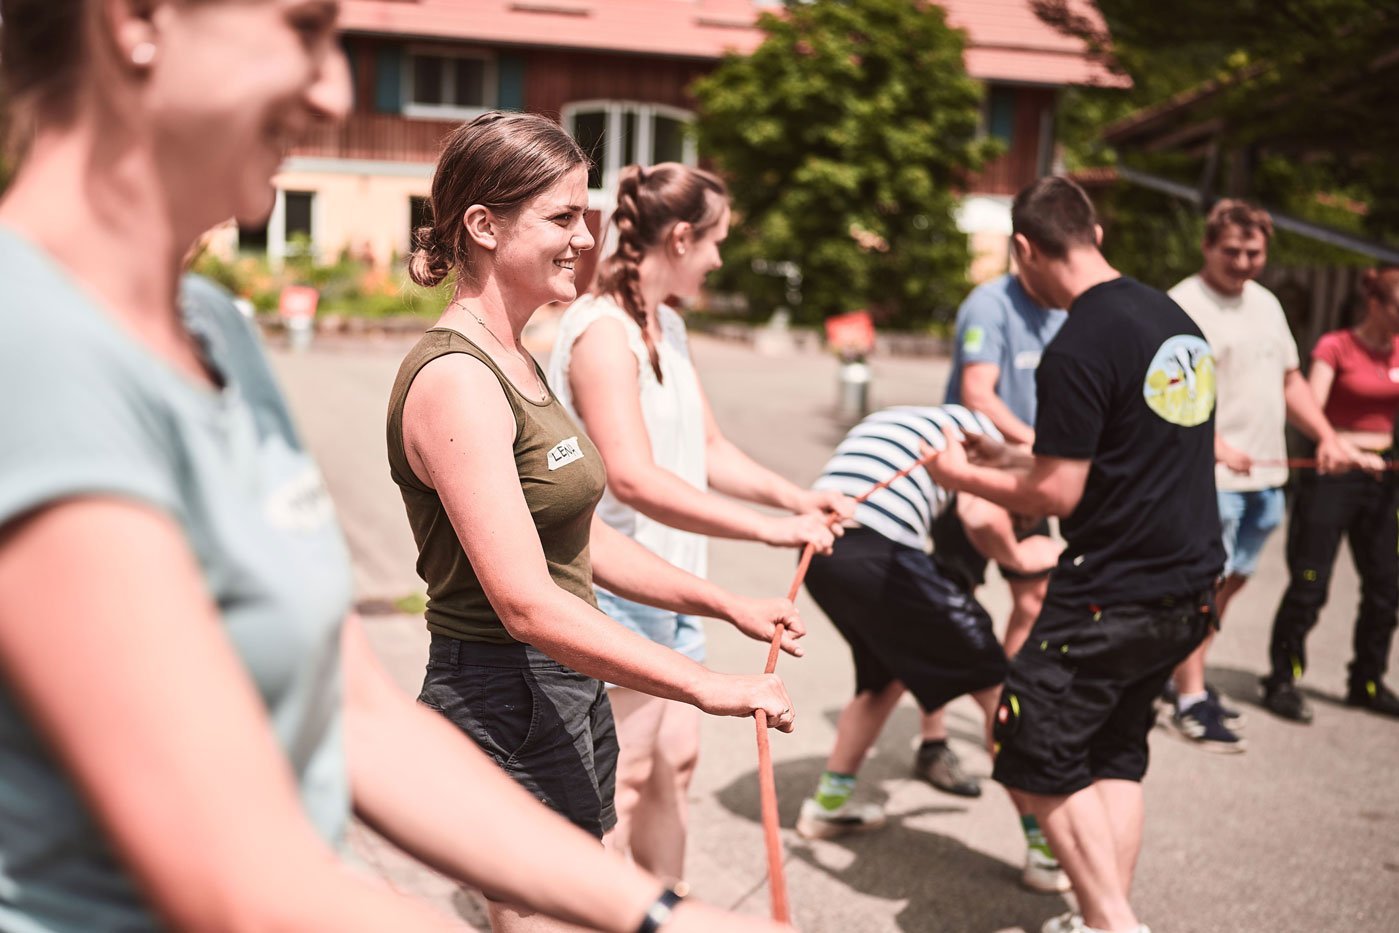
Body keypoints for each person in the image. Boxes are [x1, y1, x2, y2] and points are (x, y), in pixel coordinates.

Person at [0, 3, 787, 932]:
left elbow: (358, 712)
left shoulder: (216, 328)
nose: (336, 91)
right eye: (304, 29)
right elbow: (231, 869)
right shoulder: (30, 349)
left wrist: (657, 912)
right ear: (134, 20)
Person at [390, 112, 809, 929]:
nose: (585, 237)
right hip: (501, 692)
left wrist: (724, 603)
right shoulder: (458, 380)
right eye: (560, 216)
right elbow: (526, 601)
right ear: (482, 225)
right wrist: (705, 684)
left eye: (583, 214)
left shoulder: (520, 358)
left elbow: (577, 540)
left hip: (558, 684)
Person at [927, 176, 1223, 933]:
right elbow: (1112, 457)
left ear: (1024, 248)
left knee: (1027, 736)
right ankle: (1098, 920)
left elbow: (1057, 495)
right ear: (1092, 231)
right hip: (1188, 585)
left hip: (1108, 593)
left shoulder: (1077, 344)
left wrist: (957, 473)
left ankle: (1114, 922)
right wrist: (999, 455)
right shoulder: (1171, 318)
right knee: (1114, 752)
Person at [546, 162, 851, 880]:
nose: (719, 257)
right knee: (616, 782)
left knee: (674, 766)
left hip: (674, 587)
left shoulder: (668, 324)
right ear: (679, 238)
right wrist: (766, 531)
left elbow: (709, 448)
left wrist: (795, 500)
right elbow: (631, 476)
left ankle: (664, 900)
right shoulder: (600, 333)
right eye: (715, 240)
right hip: (621, 589)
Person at [789, 405, 1061, 842]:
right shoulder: (981, 437)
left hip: (820, 550)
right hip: (880, 549)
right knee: (997, 689)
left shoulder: (915, 418)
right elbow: (981, 516)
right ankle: (1047, 843)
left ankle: (828, 807)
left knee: (882, 677)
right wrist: (1018, 555)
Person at [1166, 199, 1365, 749]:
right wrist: (1214, 444)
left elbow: (1291, 381)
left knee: (1232, 584)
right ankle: (1187, 698)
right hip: (1211, 481)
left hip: (1266, 479)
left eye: (1254, 252)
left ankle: (1185, 674)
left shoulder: (1267, 305)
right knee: (1201, 589)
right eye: (1231, 250)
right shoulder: (1182, 305)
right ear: (1207, 246)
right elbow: (1168, 397)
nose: (1243, 261)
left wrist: (1325, 434)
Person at [941, 252, 1068, 892]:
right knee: (946, 614)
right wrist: (1046, 448)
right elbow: (977, 395)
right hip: (971, 469)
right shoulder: (989, 304)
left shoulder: (1064, 305)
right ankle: (935, 736)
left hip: (1026, 475)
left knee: (1037, 594)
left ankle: (1008, 697)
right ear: (1027, 250)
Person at [1262, 264, 1399, 723]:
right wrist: (1338, 446)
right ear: (1375, 304)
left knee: (1386, 587)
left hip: (1383, 479)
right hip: (1335, 473)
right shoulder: (1335, 347)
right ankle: (1282, 677)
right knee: (1310, 583)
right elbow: (1311, 407)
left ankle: (1366, 679)